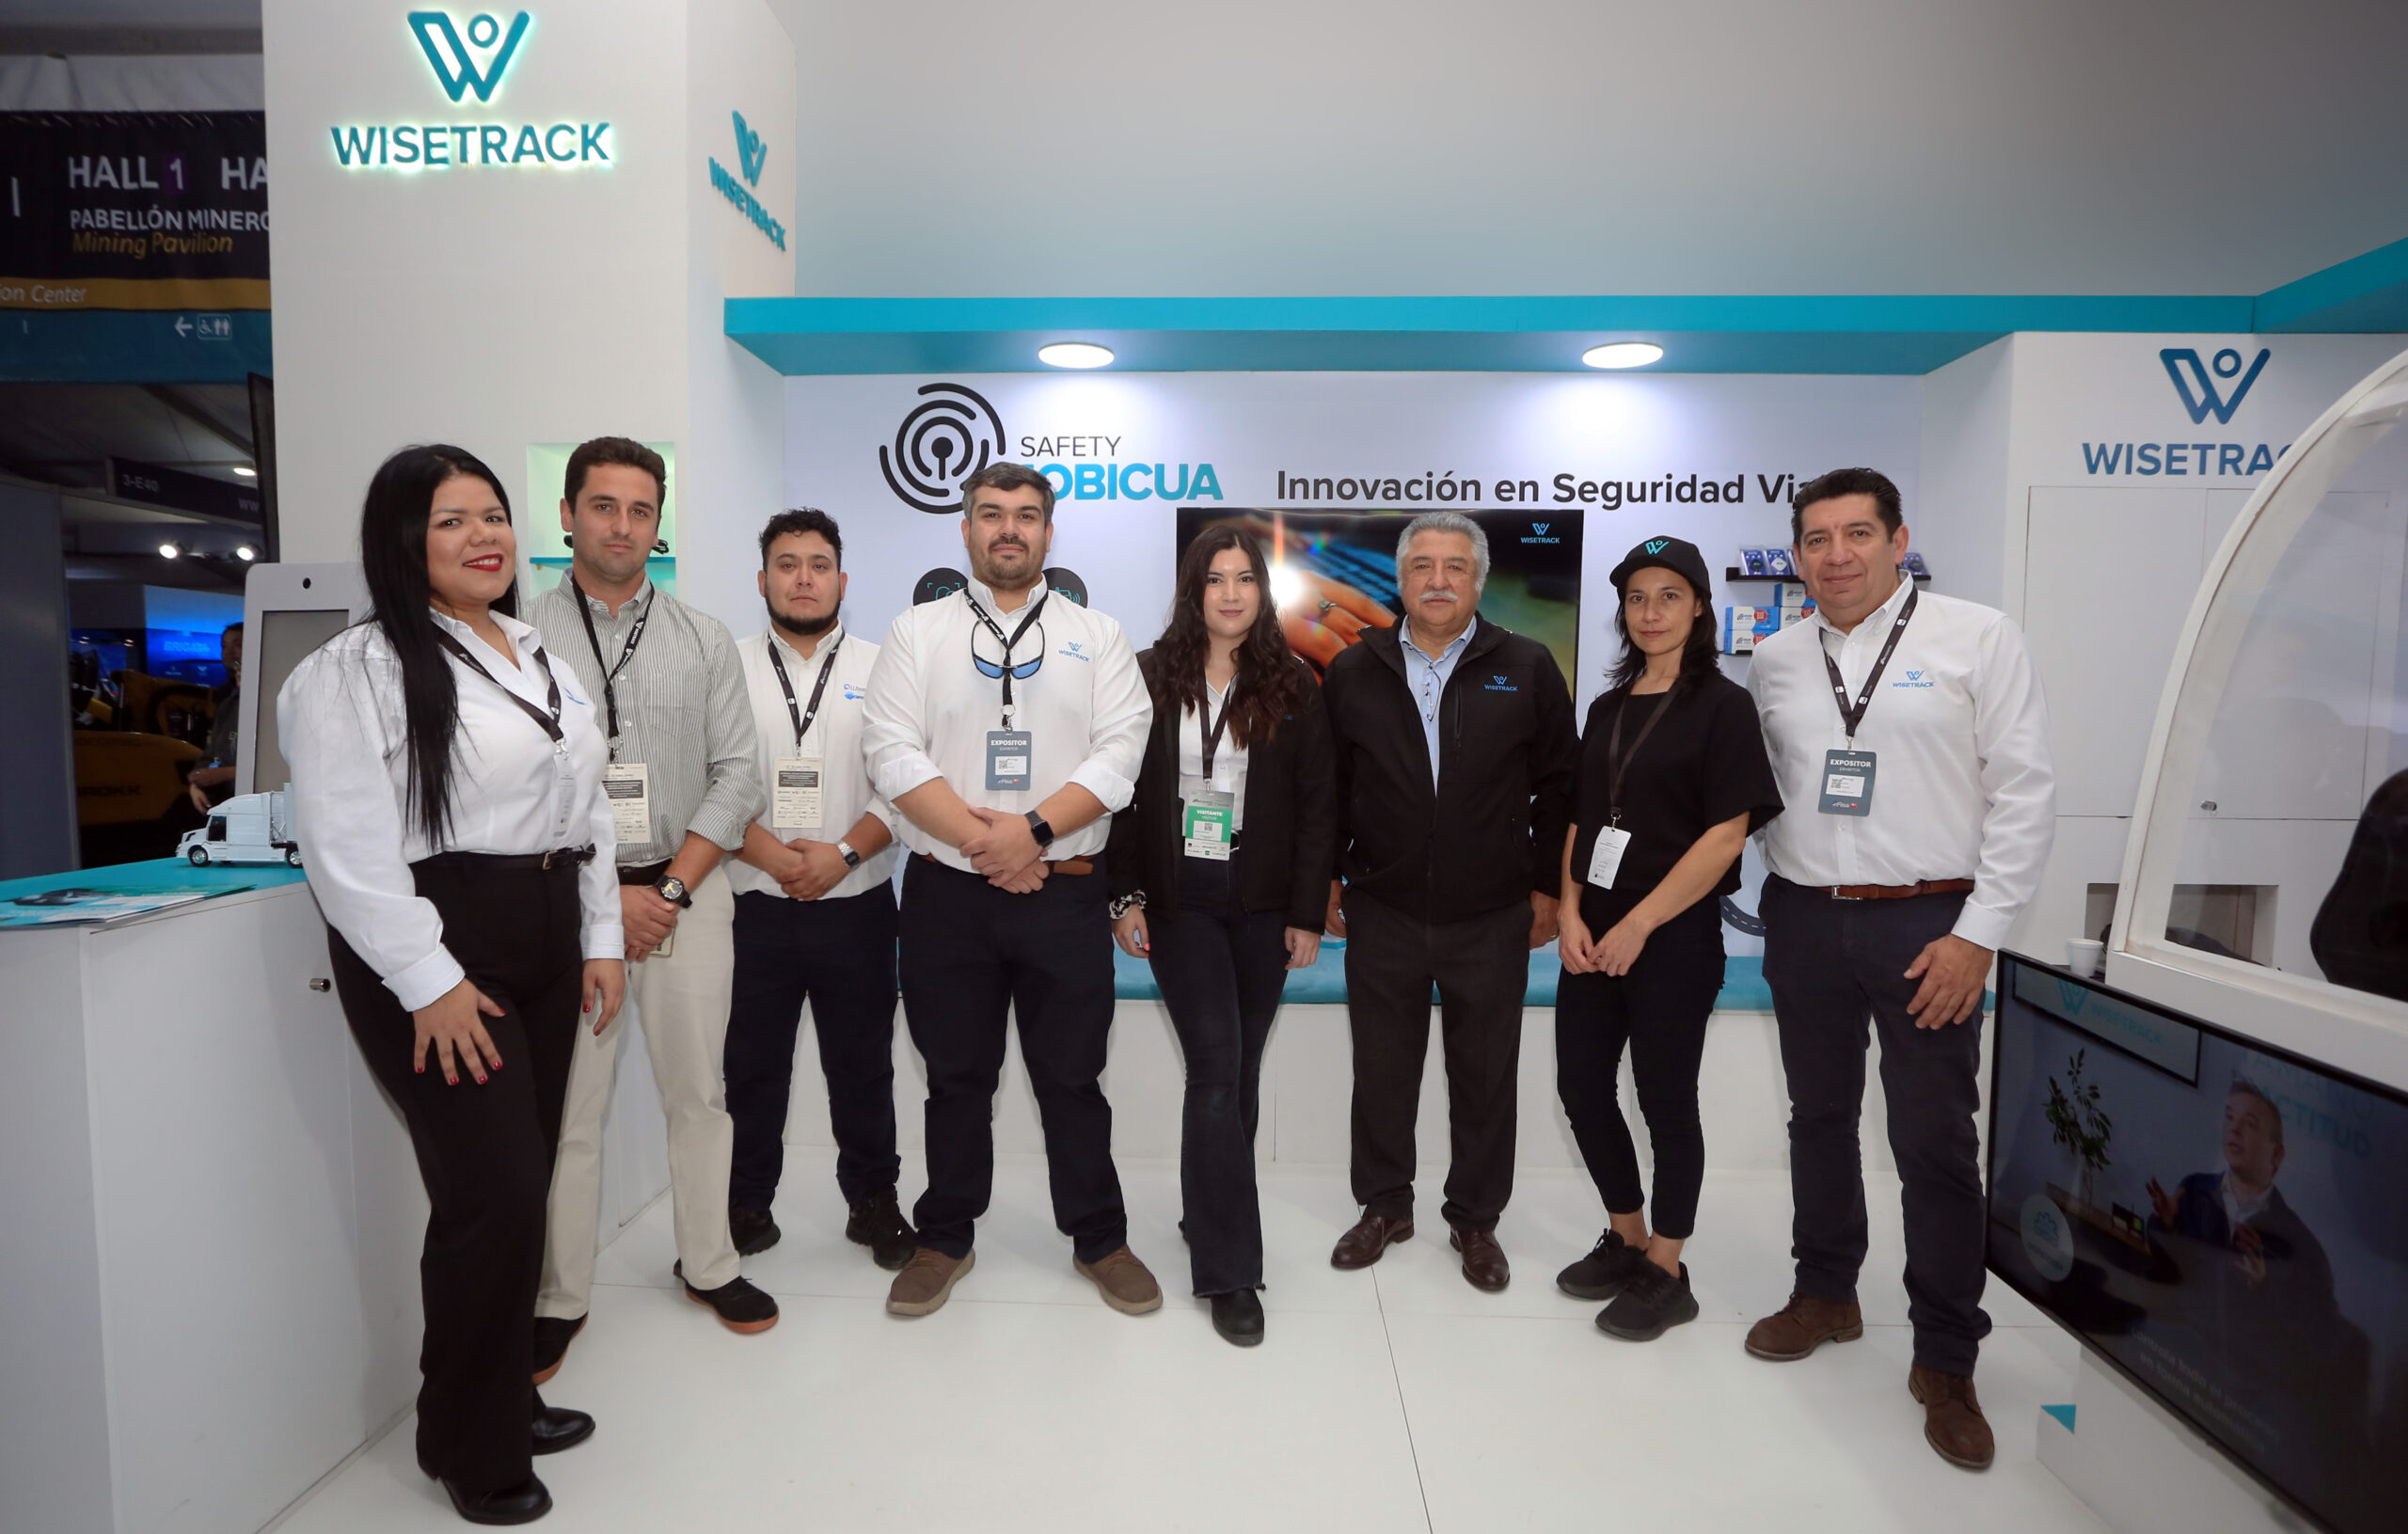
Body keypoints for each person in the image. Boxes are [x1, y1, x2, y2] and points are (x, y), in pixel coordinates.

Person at [279, 444, 621, 1526]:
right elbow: (345, 848)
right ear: (402, 541)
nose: (484, 536)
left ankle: (501, 1394)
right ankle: (467, 1443)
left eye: (493, 515)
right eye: (451, 520)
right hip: (436, 946)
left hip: (546, 931)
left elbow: (588, 810)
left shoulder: (535, 651)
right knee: (495, 1193)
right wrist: (428, 981)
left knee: (523, 1184)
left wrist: (601, 935)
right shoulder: (351, 670)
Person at [1744, 467, 2053, 1472]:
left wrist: (1979, 933)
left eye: (1856, 534)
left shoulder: (1977, 636)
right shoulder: (1776, 657)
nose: (1836, 555)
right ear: (1797, 555)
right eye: (1817, 539)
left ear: (1897, 539)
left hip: (1930, 923)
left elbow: (2024, 792)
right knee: (1818, 1117)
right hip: (1803, 916)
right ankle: (1826, 1291)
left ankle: (1946, 1356)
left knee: (1933, 1140)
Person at [861, 462, 1158, 1318]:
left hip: (1063, 894)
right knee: (956, 1079)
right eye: (991, 514)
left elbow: (1120, 756)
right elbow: (891, 753)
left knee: (1072, 1078)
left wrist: (1029, 833)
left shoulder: (1098, 635)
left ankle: (1099, 1237)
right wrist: (987, 844)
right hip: (948, 898)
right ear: (965, 529)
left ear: (1048, 532)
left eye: (1026, 515)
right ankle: (945, 1237)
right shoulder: (916, 632)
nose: (1009, 529)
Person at [531, 436, 774, 1378]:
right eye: (603, 506)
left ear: (657, 524)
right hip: (565, 900)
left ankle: (710, 1263)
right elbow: (510, 785)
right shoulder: (516, 636)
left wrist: (666, 890)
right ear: (567, 515)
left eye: (640, 509)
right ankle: (559, 1294)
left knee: (700, 1093)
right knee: (571, 1108)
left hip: (686, 895)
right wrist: (606, 895)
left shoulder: (703, 638)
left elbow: (737, 775)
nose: (622, 525)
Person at [1323, 510, 1576, 1292]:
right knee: (1382, 1070)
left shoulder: (1527, 664)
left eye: (1454, 566)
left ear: (1478, 580)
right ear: (1400, 579)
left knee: (1485, 1076)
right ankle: (1384, 1206)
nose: (1437, 580)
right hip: (1384, 907)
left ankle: (1474, 1218)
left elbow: (1561, 787)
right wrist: (1327, 877)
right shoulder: (1353, 668)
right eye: (1422, 566)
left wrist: (1546, 888)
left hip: (1491, 912)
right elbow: (1328, 787)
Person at [1105, 525, 1337, 1346]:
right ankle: (1229, 1268)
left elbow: (1318, 807)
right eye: (1215, 578)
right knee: (1214, 1066)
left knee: (1238, 1072)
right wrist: (1124, 896)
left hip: (1265, 906)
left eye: (1245, 578)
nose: (1230, 593)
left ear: (1262, 593)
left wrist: (1307, 912)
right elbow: (1120, 795)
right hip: (1180, 905)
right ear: (1193, 590)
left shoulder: (1294, 682)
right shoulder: (1148, 676)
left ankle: (1206, 1207)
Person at [1553, 536, 1783, 1340]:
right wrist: (1571, 911)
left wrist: (1640, 922)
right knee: (1582, 1087)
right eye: (1637, 597)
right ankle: (1626, 1236)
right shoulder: (1607, 707)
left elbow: (1726, 835)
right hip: (1595, 935)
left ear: (1700, 609)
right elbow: (1582, 819)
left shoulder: (1723, 707)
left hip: (1673, 937)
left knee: (1664, 1100)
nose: (1651, 612)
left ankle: (1667, 1266)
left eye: (1669, 596)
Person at [722, 509, 913, 1268]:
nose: (803, 578)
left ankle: (873, 1202)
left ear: (842, 579)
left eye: (819, 564)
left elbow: (907, 784)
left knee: (863, 1066)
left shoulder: (886, 667)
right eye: (787, 563)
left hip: (857, 902)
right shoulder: (724, 666)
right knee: (751, 1067)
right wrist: (773, 857)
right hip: (751, 903)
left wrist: (841, 853)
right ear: (762, 578)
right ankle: (744, 1205)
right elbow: (706, 779)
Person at [188, 621, 243, 811]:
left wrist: (226, 774)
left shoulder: (270, 704)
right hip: (221, 800)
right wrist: (197, 783)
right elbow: (212, 752)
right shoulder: (226, 702)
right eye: (224, 646)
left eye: (238, 645)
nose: (228, 652)